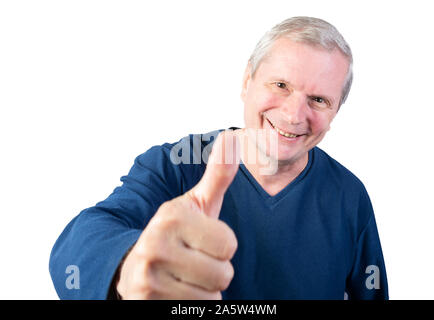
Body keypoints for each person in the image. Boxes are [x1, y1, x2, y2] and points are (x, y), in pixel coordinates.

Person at [49, 16, 388, 299]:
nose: (293, 114)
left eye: (318, 100)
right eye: (281, 85)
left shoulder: (350, 197)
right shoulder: (175, 167)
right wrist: (126, 269)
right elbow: (75, 250)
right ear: (246, 82)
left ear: (336, 112)